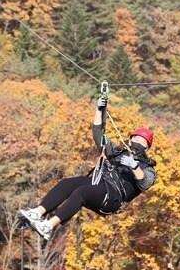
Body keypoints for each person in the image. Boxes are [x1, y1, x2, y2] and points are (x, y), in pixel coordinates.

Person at [20, 94, 157, 240]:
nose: (137, 142)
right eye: (135, 138)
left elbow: (144, 182)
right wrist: (100, 109)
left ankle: (48, 226)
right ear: (130, 140)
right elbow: (98, 132)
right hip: (99, 184)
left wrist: (134, 166)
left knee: (82, 192)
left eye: (142, 141)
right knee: (68, 184)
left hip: (113, 198)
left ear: (147, 148)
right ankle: (37, 212)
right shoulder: (116, 152)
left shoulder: (147, 168)